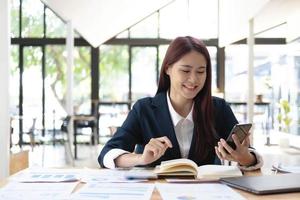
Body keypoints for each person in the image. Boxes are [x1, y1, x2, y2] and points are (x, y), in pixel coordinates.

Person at [98, 36, 263, 170]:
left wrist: (244, 157)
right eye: (185, 70)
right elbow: (107, 154)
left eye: (201, 71)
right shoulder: (144, 109)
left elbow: (250, 157)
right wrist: (140, 158)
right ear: (168, 69)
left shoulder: (218, 109)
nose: (193, 79)